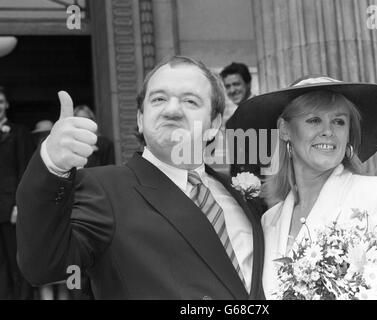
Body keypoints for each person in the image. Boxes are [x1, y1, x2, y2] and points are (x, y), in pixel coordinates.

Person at [16, 56, 265, 299]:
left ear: (215, 122)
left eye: (190, 101)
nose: (172, 110)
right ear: (140, 119)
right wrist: (52, 165)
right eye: (158, 99)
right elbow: (43, 264)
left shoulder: (239, 194)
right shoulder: (103, 189)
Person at [226, 75, 377, 299]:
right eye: (314, 120)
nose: (328, 131)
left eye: (339, 121)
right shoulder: (269, 221)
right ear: (284, 129)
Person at [0, 86, 34, 299]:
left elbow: (25, 170)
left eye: (1, 101)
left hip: (11, 206)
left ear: (7, 105)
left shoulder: (19, 132)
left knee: (16, 260)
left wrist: (19, 205)